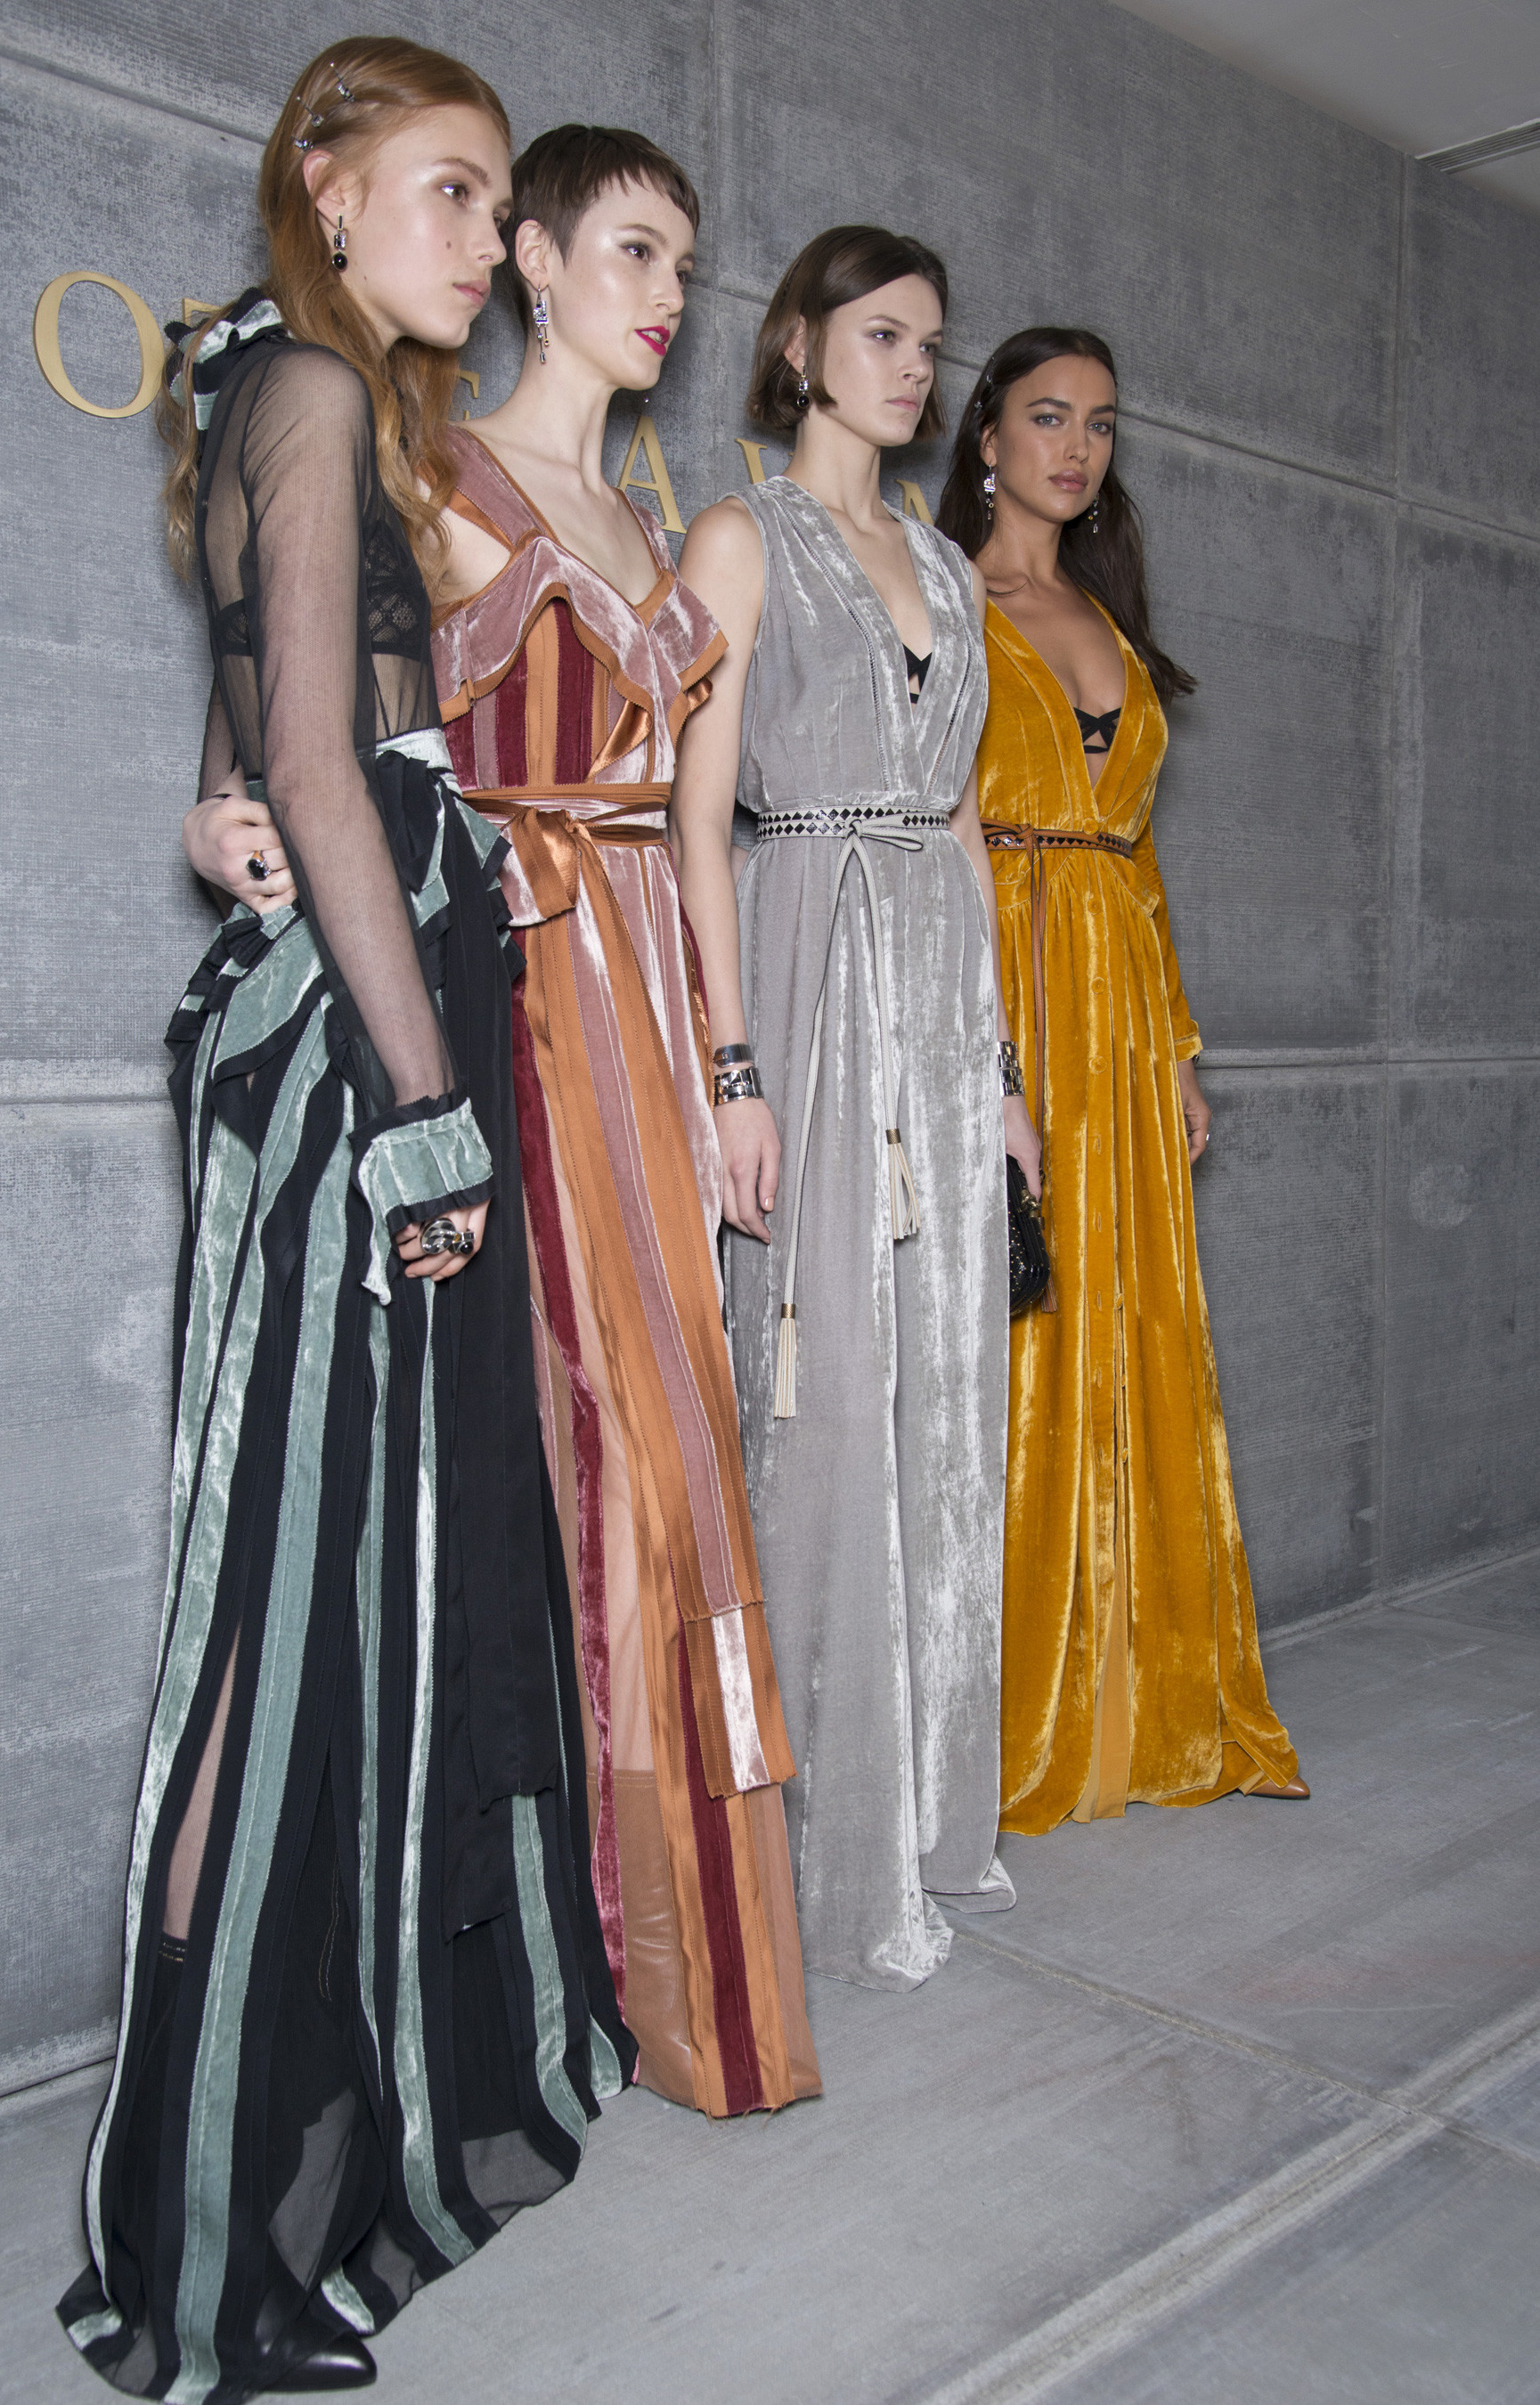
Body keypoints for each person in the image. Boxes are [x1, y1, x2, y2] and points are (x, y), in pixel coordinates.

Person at [60, 45, 631, 2401]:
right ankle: (206, 2252)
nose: (486, 240)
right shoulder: (302, 383)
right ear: (324, 186)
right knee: (292, 1623)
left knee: (354, 1608)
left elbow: (261, 754)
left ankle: (299, 2141)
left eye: (499, 204)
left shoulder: (298, 401)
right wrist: (420, 1108)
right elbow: (310, 754)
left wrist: (218, 822)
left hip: (373, 997)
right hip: (360, 1058)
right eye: (452, 192)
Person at [428, 127, 819, 2116]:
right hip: (524, 1008)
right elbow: (349, 752)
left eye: (682, 258)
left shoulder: (651, 525)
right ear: (532, 257)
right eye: (633, 250)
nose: (667, 293)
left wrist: (734, 1073)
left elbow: (702, 832)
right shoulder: (439, 480)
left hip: (654, 1013)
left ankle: (691, 1977)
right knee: (580, 1463)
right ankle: (580, 1956)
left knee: (681, 1457)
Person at [671, 227, 1040, 1993]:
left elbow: (960, 824)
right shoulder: (739, 540)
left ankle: (922, 1815)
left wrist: (1004, 1079)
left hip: (939, 999)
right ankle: (813, 1838)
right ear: (802, 343)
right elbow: (693, 820)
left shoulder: (946, 569)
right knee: (811, 1394)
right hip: (805, 965)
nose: (912, 368)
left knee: (941, 1404)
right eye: (881, 334)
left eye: (928, 344)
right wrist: (728, 1067)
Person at [935, 326, 1307, 1832]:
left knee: (1128, 1328)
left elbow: (1136, 862)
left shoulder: (1102, 611)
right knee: (1009, 1336)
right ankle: (999, 1709)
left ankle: (1132, 1688)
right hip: (1000, 981)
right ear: (985, 436)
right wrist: (982, 1053)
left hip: (1117, 1011)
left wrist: (1177, 1046)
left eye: (1097, 424)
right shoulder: (941, 595)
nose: (1074, 448)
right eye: (1045, 417)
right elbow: (928, 839)